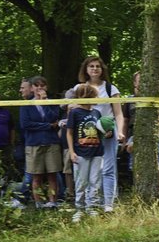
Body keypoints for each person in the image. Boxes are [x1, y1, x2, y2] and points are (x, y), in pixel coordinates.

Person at [75, 56, 125, 213]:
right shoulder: (80, 88)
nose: (95, 69)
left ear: (102, 69)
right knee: (90, 170)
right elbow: (73, 109)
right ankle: (91, 204)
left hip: (108, 132)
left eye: (98, 66)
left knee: (108, 168)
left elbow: (118, 114)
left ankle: (109, 203)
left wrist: (121, 131)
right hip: (88, 133)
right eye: (91, 66)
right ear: (86, 69)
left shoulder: (111, 89)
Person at [19, 76, 62, 209]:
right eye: (36, 86)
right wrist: (48, 126)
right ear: (32, 88)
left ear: (46, 88)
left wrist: (45, 102)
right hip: (33, 144)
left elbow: (54, 117)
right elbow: (26, 124)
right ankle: (39, 202)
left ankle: (52, 202)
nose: (40, 88)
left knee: (52, 175)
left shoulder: (52, 103)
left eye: (42, 86)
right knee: (36, 176)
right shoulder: (26, 105)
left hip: (51, 143)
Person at [65, 84, 105, 221]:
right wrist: (71, 152)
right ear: (86, 96)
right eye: (95, 96)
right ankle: (79, 209)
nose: (97, 98)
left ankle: (92, 207)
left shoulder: (96, 113)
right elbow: (69, 133)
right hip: (80, 152)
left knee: (95, 181)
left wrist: (108, 132)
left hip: (97, 152)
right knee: (81, 181)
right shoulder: (75, 112)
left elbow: (100, 131)